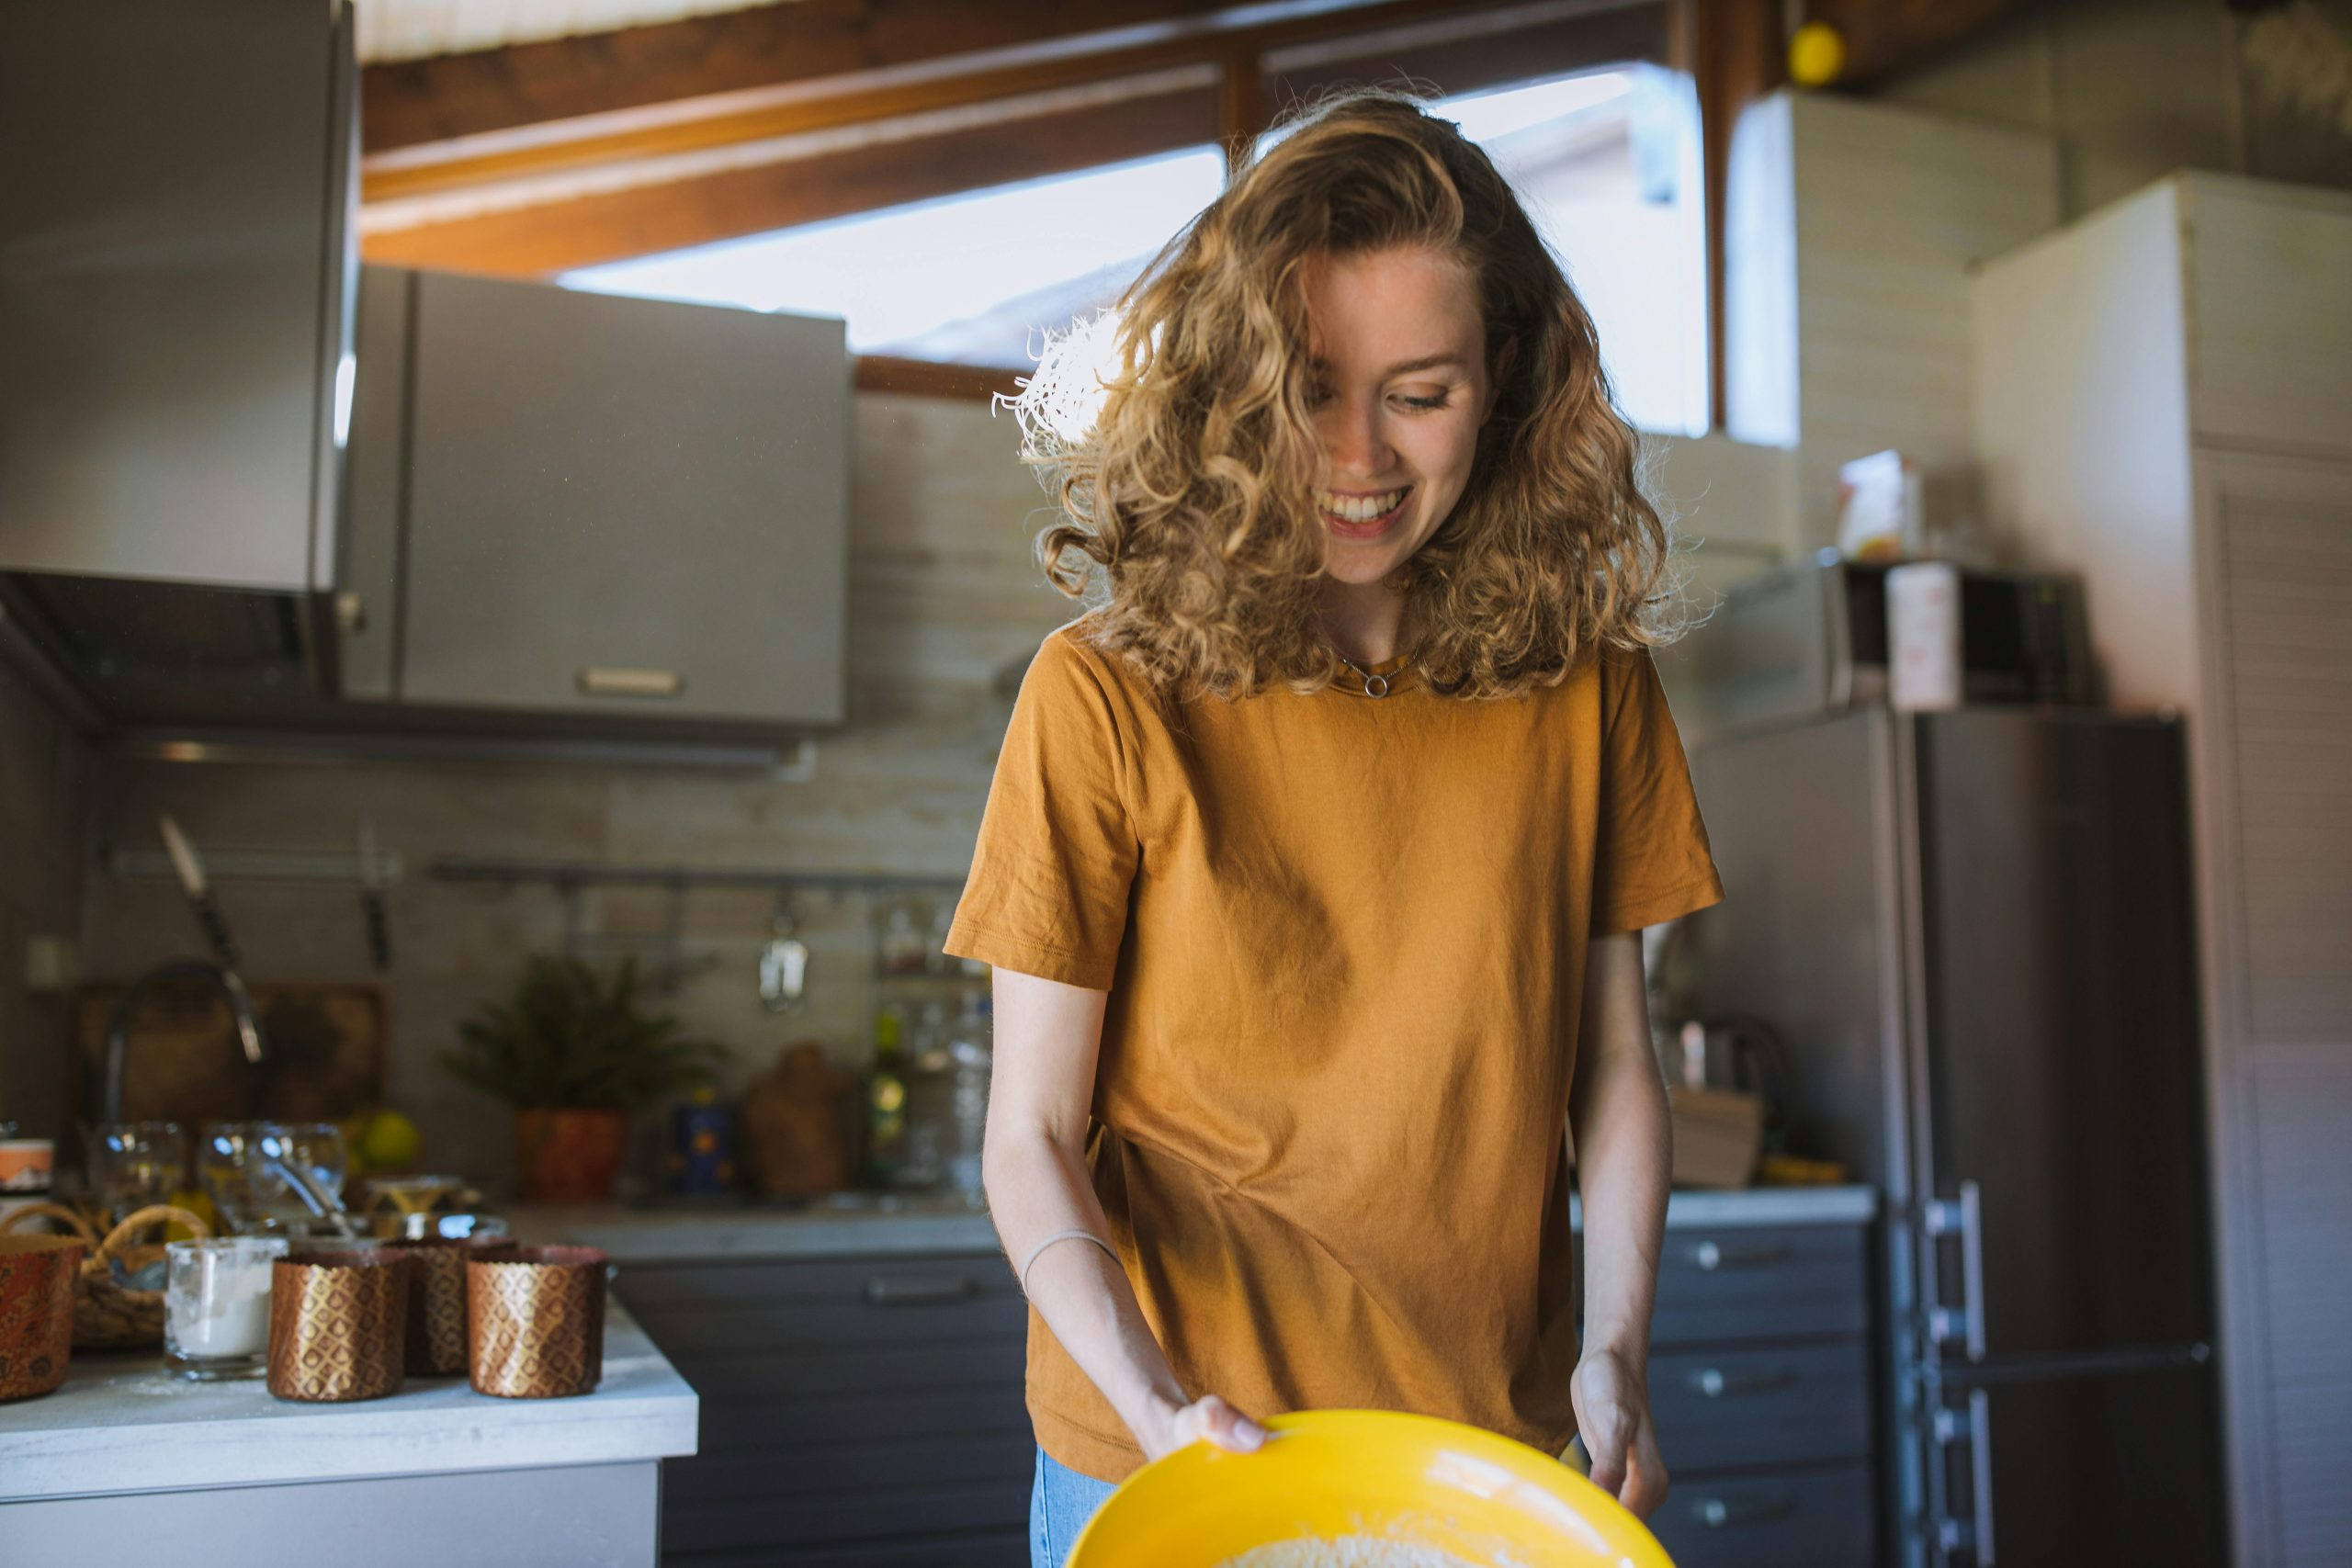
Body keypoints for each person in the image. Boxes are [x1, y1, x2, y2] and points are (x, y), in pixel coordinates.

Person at [942, 86, 1724, 1568]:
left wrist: (1615, 1352)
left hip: (1487, 1456)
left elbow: (1613, 1068)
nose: (1361, 458)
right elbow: (1030, 1137)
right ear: (1235, 389)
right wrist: (1161, 1407)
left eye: (1419, 394)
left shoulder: (1589, 687)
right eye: (1310, 390)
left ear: (1504, 383)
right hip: (1166, 1455)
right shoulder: (1104, 692)